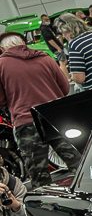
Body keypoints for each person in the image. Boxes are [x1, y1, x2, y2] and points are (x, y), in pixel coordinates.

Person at [0, 31, 79, 191]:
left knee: (39, 175)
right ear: (24, 43)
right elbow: (64, 88)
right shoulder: (44, 57)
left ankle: (48, 204)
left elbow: (1, 100)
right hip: (55, 118)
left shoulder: (1, 64)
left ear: (2, 49)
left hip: (26, 122)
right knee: (78, 162)